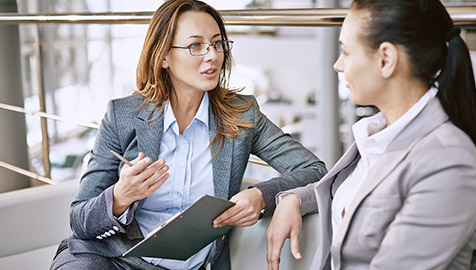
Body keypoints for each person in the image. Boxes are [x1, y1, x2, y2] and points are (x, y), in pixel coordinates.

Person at [50, 0, 326, 269]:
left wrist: (261, 195)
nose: (212, 55)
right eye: (196, 45)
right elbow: (80, 220)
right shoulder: (122, 116)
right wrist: (121, 196)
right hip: (111, 259)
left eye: (217, 43)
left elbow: (314, 169)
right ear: (164, 56)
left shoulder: (242, 114)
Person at [266, 0, 476, 269]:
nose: (337, 64)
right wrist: (294, 198)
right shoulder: (378, 133)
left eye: (346, 51)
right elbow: (357, 195)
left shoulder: (448, 161)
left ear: (386, 59)